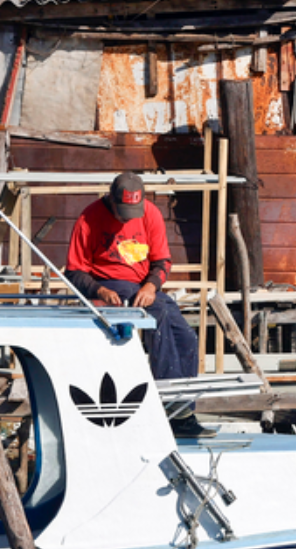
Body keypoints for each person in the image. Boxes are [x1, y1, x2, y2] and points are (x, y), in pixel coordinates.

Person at [65, 171, 212, 438]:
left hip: (142, 284)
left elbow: (162, 262)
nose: (128, 217)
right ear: (111, 200)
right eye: (123, 212)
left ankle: (184, 412)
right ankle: (170, 407)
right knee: (160, 315)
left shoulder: (151, 214)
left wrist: (151, 285)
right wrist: (99, 289)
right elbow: (74, 271)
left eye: (133, 210)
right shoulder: (89, 217)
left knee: (186, 337)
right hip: (109, 282)